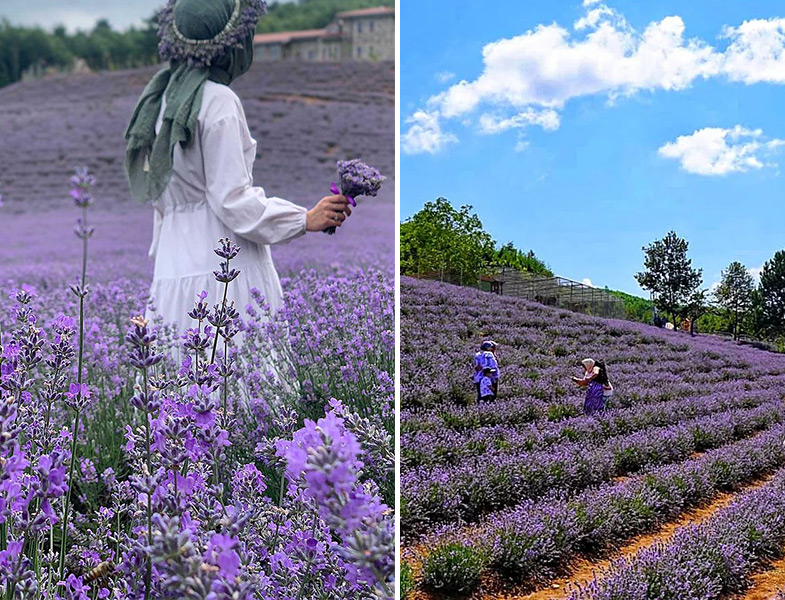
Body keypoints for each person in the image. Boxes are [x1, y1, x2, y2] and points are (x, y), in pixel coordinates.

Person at [124, 0, 351, 351]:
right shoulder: (218, 102)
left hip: (171, 267)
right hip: (223, 268)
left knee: (175, 380)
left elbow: (160, 197)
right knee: (236, 381)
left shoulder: (158, 105)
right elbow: (231, 200)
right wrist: (303, 219)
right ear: (231, 44)